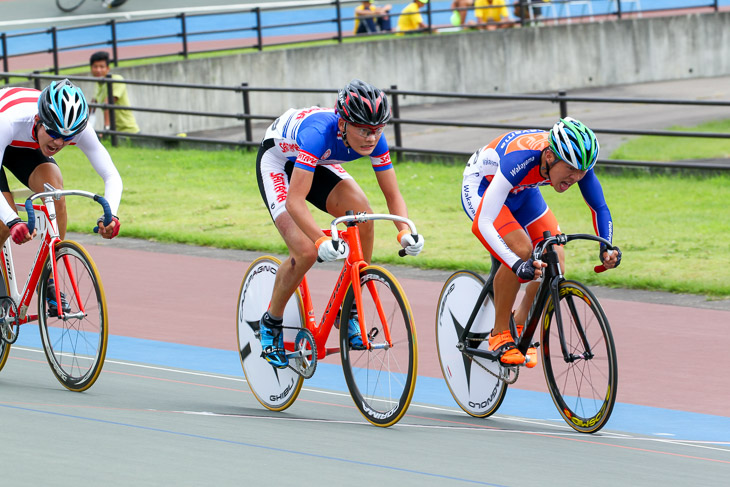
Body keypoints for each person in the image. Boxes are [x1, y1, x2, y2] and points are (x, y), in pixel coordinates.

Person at [254, 79, 425, 368]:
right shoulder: (319, 133)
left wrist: (405, 231)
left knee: (363, 217)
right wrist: (320, 241)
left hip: (318, 161)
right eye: (364, 130)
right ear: (343, 124)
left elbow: (392, 194)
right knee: (306, 252)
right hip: (279, 162)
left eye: (377, 130)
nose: (371, 138)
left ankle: (349, 309)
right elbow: (295, 202)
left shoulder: (374, 138)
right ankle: (271, 321)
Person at [461, 118, 621, 367]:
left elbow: (600, 207)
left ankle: (521, 321)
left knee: (555, 256)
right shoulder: (521, 159)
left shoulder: (576, 166)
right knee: (523, 252)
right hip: (483, 187)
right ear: (549, 156)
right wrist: (516, 264)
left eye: (582, 171)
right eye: (570, 169)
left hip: (523, 190)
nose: (576, 177)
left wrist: (606, 246)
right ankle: (499, 333)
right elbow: (482, 224)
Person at [0, 80, 122, 311]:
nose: (58, 142)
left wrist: (112, 215)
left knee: (56, 193)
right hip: (5, 131)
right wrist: (13, 221)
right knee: (3, 223)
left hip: (25, 144)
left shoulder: (76, 128)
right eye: (54, 133)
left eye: (67, 138)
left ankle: (48, 277)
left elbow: (111, 175)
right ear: (38, 121)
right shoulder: (9, 120)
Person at [90, 51, 140, 136]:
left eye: (102, 67)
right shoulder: (98, 84)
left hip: (128, 131)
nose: (98, 70)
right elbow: (92, 106)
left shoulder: (116, 79)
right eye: (95, 66)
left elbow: (108, 104)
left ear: (108, 68)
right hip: (115, 133)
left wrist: (106, 130)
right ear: (91, 68)